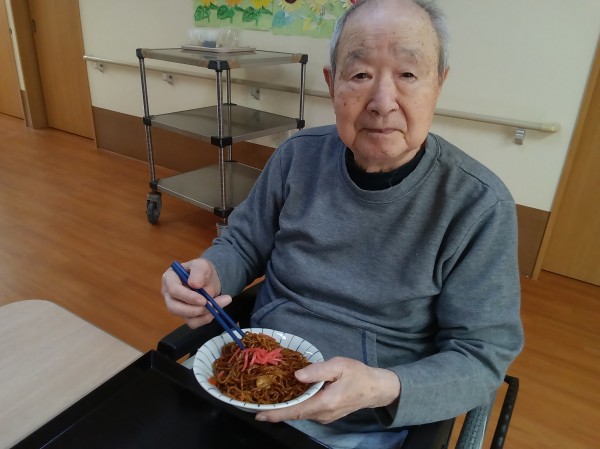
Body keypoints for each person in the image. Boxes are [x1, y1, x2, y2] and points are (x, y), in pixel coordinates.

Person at [162, 0, 524, 447]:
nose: (382, 103)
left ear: (438, 84)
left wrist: (382, 387)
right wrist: (212, 271)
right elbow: (241, 243)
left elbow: (481, 358)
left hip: (362, 424)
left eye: (408, 74)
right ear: (332, 84)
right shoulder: (297, 156)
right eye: (361, 74)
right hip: (247, 383)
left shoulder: (478, 205)